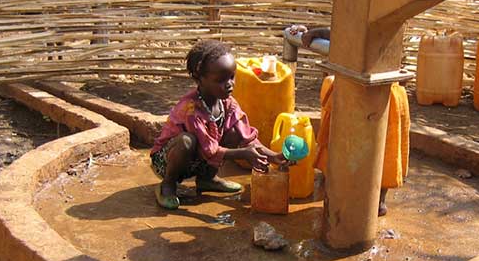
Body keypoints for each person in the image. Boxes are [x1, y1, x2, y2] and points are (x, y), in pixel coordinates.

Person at [288, 25, 410, 217]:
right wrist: (315, 33)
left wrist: (319, 33)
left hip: (381, 92)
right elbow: (350, 33)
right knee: (351, 144)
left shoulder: (387, 18)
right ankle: (347, 192)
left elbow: (356, 36)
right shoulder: (374, 12)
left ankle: (375, 199)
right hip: (361, 88)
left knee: (381, 149)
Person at [150, 39, 287, 209]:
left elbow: (247, 137)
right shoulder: (190, 109)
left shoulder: (228, 104)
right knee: (186, 141)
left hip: (199, 158)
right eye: (221, 80)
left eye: (231, 77)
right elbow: (209, 150)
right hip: (168, 160)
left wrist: (273, 156)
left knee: (232, 132)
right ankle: (167, 186)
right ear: (200, 79)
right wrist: (244, 154)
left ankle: (207, 179)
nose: (229, 84)